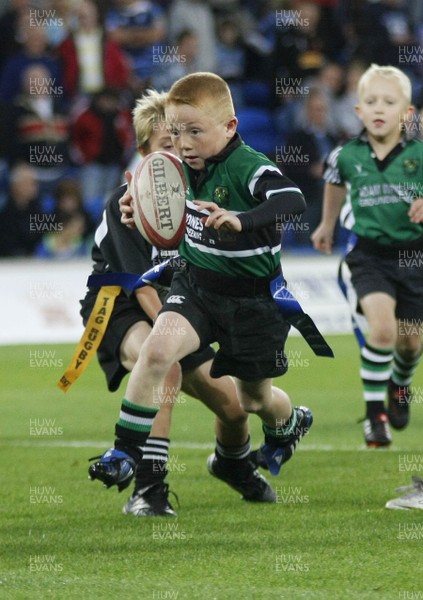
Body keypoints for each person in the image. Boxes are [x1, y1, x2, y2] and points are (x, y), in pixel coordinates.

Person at [119, 72, 313, 512]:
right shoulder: (179, 172)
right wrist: (133, 209)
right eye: (175, 133)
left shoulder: (249, 165)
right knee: (159, 354)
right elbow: (162, 224)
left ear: (230, 127)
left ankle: (289, 422)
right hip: (199, 291)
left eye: (193, 132)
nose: (183, 144)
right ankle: (131, 462)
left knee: (252, 399)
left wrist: (242, 219)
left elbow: (293, 200)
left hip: (254, 302)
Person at [81, 88, 276, 517]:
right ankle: (147, 490)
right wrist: (175, 334)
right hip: (121, 303)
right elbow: (142, 286)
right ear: (144, 154)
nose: (179, 150)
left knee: (234, 405)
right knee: (163, 366)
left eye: (183, 141)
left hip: (179, 302)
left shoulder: (201, 194)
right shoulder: (127, 202)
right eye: (165, 146)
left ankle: (233, 465)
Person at [311, 64, 423, 447]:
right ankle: (375, 416)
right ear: (358, 110)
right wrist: (326, 225)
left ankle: (399, 385)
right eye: (371, 101)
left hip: (414, 258)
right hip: (369, 256)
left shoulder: (419, 155)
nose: (379, 108)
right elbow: (333, 183)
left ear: (407, 114)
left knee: (411, 344)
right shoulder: (348, 154)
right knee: (383, 330)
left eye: (390, 102)